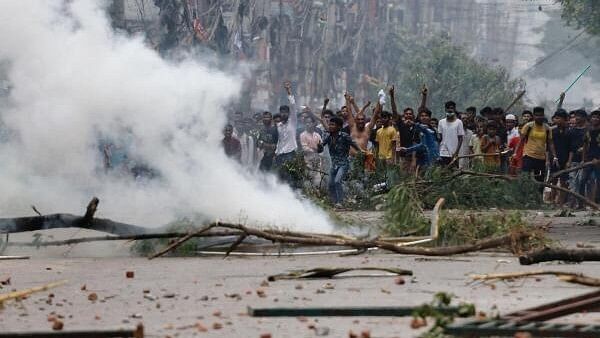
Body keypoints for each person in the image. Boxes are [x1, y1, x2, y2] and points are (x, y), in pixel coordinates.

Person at [318, 116, 362, 208]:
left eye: (332, 125)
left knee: (337, 181)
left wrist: (361, 152)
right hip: (334, 164)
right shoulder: (328, 137)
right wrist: (319, 146)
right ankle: (335, 202)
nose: (330, 126)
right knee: (330, 184)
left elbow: (354, 144)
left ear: (339, 127)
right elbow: (320, 149)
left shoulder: (344, 136)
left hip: (343, 164)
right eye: (330, 124)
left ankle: (340, 202)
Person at [518, 106, 558, 182]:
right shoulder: (528, 126)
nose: (539, 117)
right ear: (533, 116)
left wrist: (555, 156)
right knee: (525, 178)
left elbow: (550, 143)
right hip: (528, 156)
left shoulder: (547, 128)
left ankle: (538, 194)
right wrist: (515, 154)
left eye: (540, 115)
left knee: (540, 180)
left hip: (541, 158)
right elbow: (521, 140)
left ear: (543, 116)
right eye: (537, 115)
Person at [274, 82, 299, 185]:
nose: (283, 114)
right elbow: (279, 140)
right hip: (280, 154)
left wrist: (288, 91)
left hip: (290, 153)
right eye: (281, 112)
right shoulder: (278, 125)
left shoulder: (293, 121)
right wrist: (276, 152)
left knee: (290, 176)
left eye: (285, 112)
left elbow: (292, 105)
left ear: (288, 113)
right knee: (281, 177)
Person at [549, 109, 570, 205]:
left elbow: (571, 149)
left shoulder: (569, 132)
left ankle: (561, 202)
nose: (556, 120)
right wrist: (553, 157)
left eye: (558, 118)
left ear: (564, 119)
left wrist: (569, 161)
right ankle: (552, 201)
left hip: (565, 159)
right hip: (554, 159)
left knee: (564, 182)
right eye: (555, 118)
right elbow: (550, 145)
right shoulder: (552, 131)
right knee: (553, 180)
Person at [437, 101, 464, 166]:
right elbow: (440, 138)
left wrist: (456, 152)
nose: (450, 110)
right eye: (448, 108)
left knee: (454, 172)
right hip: (443, 152)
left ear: (454, 109)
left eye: (452, 108)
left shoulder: (459, 122)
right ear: (445, 109)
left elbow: (460, 138)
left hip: (453, 153)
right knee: (443, 173)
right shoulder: (441, 122)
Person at [581, 110, 600, 203]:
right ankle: (581, 204)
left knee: (599, 181)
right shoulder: (588, 130)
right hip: (588, 159)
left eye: (597, 117)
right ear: (590, 118)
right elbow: (584, 146)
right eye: (593, 117)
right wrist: (583, 159)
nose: (595, 119)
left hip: (598, 160)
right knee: (583, 180)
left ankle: (597, 203)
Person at [300, 115, 323, 186]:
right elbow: (305, 148)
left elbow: (321, 148)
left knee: (317, 181)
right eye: (306, 122)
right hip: (307, 161)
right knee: (307, 180)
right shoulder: (303, 135)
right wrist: (315, 149)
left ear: (314, 123)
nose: (307, 124)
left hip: (317, 161)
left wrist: (317, 150)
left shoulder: (317, 135)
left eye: (309, 122)